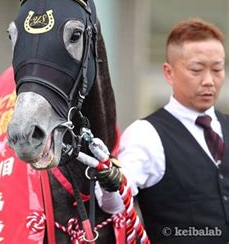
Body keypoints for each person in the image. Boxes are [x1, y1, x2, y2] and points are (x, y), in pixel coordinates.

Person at [97, 17, 228, 243]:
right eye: (197, 70)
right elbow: (112, 204)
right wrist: (110, 184)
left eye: (217, 69)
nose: (209, 81)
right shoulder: (145, 135)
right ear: (169, 73)